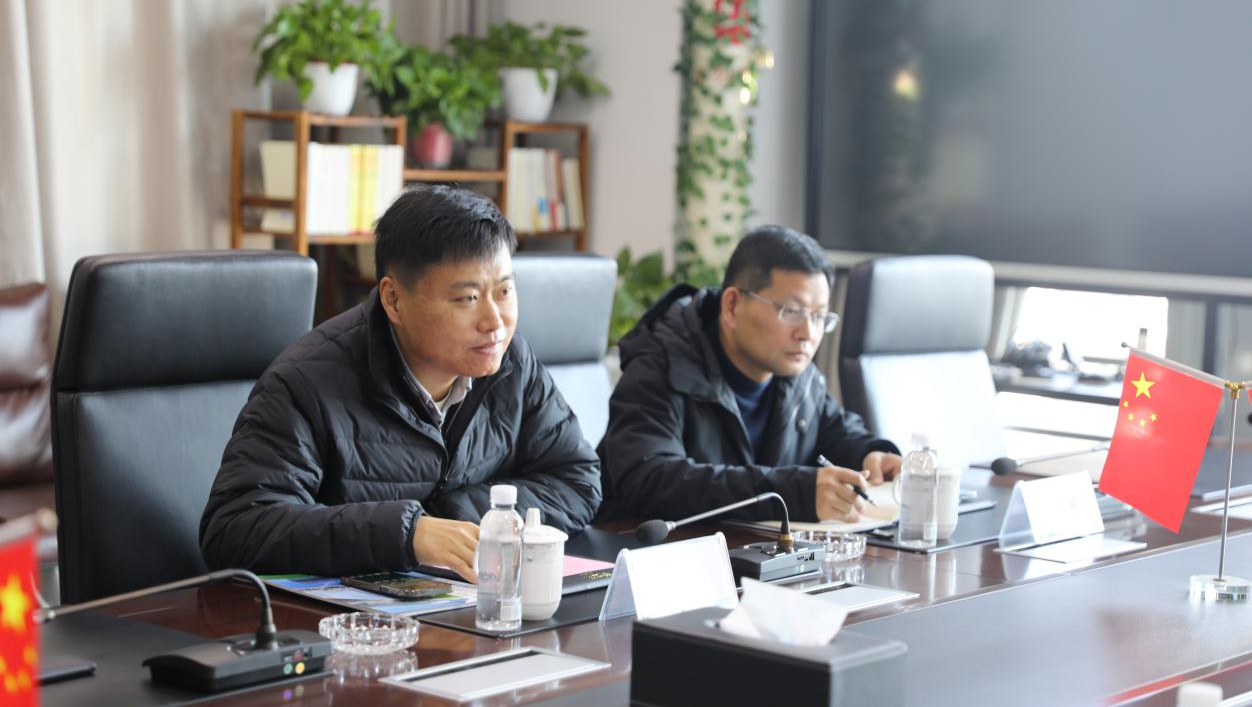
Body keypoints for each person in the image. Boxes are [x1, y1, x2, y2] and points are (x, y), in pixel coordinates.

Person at [200, 186, 601, 581]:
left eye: (505, 291)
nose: (494, 322)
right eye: (467, 299)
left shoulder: (511, 363)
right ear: (393, 300)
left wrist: (454, 518)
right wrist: (406, 533)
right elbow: (235, 529)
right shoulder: (306, 384)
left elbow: (577, 481)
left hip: (465, 603)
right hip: (341, 619)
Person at [598, 225, 900, 523]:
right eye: (792, 311)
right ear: (732, 306)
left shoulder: (798, 376)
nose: (808, 333)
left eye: (819, 316)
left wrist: (870, 455)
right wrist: (793, 493)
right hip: (650, 549)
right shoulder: (661, 364)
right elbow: (649, 480)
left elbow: (836, 433)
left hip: (753, 550)